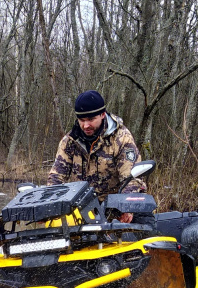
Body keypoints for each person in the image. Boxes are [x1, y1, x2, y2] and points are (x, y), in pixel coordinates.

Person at [47, 90, 145, 223]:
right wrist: (48, 207)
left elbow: (131, 178)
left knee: (143, 233)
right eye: (82, 120)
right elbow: (56, 178)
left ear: (103, 115)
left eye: (91, 119)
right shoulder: (70, 141)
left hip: (116, 209)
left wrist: (127, 207)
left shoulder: (121, 138)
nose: (86, 125)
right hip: (83, 212)